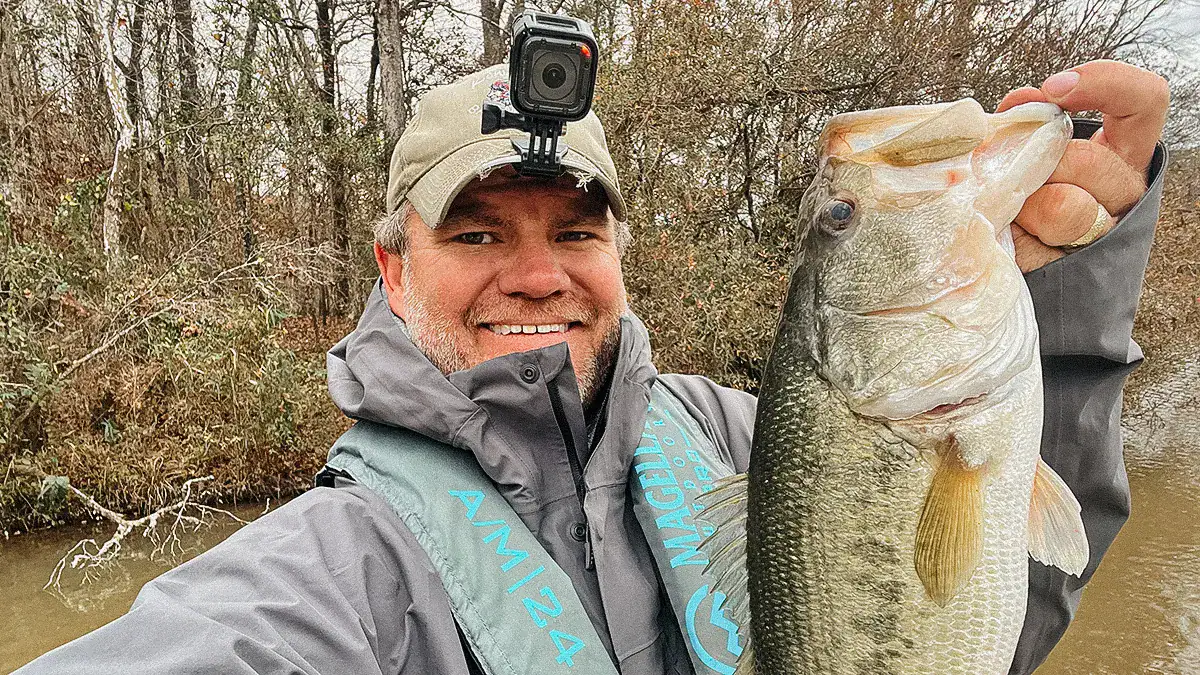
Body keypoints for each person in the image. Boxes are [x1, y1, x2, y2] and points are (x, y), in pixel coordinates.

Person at [17, 59, 1169, 674]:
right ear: (392, 269)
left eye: (575, 230)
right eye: (478, 233)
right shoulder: (335, 576)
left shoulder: (749, 440)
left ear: (619, 252)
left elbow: (1000, 615)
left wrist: (1068, 278)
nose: (536, 275)